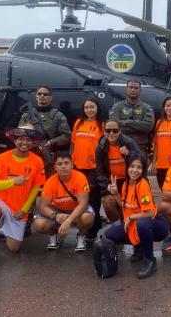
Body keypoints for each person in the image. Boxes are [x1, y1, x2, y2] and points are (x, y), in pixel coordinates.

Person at [0, 124, 46, 270]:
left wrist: (25, 210)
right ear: (15, 140)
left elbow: (36, 188)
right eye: (21, 139)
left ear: (33, 142)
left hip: (18, 207)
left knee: (13, 248)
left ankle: (2, 230)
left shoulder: (37, 161)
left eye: (28, 139)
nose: (24, 143)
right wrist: (13, 181)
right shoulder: (2, 158)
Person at [104, 155, 169, 279]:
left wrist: (132, 217)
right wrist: (116, 193)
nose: (134, 170)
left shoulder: (142, 184)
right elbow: (124, 205)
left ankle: (150, 260)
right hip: (135, 225)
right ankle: (139, 248)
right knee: (109, 235)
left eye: (139, 167)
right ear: (127, 167)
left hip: (156, 225)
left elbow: (149, 213)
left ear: (143, 170)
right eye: (132, 166)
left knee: (142, 223)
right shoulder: (126, 183)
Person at [32, 153, 94, 252]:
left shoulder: (80, 177)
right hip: (58, 210)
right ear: (55, 167)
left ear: (72, 165)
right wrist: (55, 215)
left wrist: (68, 221)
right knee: (39, 224)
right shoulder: (50, 182)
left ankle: (81, 237)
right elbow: (43, 206)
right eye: (60, 164)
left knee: (87, 218)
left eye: (66, 163)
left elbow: (83, 203)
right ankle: (54, 235)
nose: (63, 166)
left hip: (76, 209)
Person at [94, 120, 142, 223]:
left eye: (115, 130)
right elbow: (99, 171)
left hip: (128, 181)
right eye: (108, 130)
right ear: (104, 131)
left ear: (120, 131)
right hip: (112, 182)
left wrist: (129, 154)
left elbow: (142, 159)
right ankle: (118, 227)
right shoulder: (100, 147)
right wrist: (106, 186)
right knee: (107, 201)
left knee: (132, 204)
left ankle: (133, 224)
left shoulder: (128, 142)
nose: (111, 133)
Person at [71, 97, 105, 239]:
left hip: (93, 167)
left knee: (93, 199)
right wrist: (71, 160)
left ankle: (94, 229)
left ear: (97, 108)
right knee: (79, 198)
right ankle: (82, 226)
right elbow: (73, 143)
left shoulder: (102, 125)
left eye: (92, 107)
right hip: (78, 166)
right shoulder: (78, 123)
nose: (89, 110)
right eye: (86, 107)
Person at [19, 84, 72, 173]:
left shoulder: (58, 116)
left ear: (50, 98)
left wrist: (52, 142)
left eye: (45, 94)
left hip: (48, 154)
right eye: (39, 94)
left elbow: (67, 136)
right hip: (29, 154)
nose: (42, 96)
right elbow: (19, 134)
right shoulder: (27, 115)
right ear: (36, 96)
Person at [108, 79, 155, 152]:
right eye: (131, 87)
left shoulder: (147, 108)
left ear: (140, 90)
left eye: (136, 88)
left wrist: (128, 122)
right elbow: (113, 127)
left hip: (140, 147)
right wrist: (139, 126)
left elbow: (148, 126)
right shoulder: (117, 107)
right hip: (120, 146)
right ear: (126, 89)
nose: (133, 90)